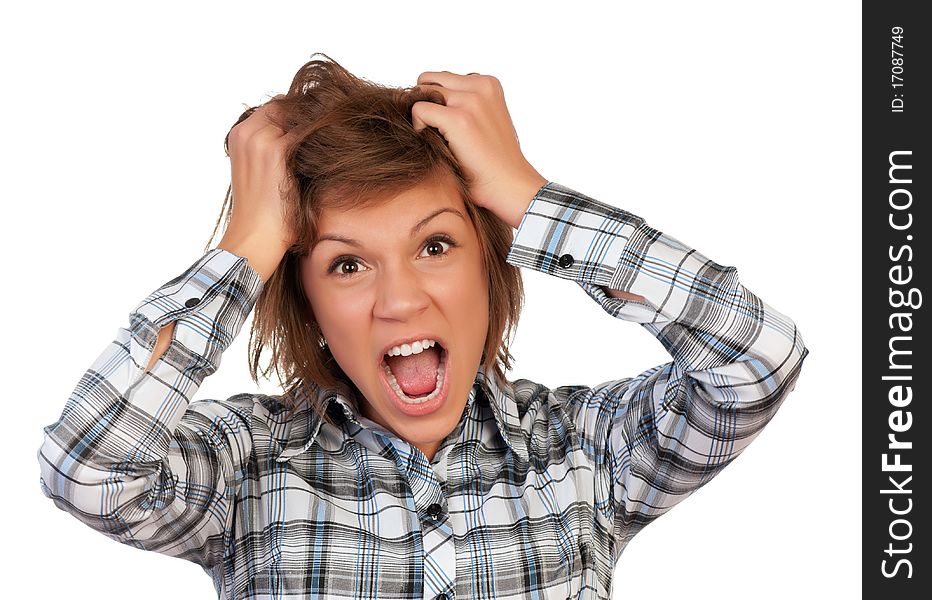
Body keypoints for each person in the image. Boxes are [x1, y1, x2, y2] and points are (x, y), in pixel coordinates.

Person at [37, 54, 810, 600]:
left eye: (435, 245)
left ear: (489, 264)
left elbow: (758, 361)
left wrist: (529, 197)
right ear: (306, 299)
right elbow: (89, 472)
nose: (399, 301)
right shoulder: (244, 469)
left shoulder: (583, 452)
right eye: (347, 265)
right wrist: (248, 248)